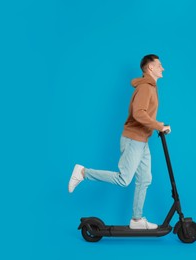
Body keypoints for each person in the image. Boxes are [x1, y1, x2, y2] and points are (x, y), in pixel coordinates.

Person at [68, 54, 171, 230]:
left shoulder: (151, 87)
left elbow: (143, 114)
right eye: (159, 65)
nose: (163, 68)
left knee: (145, 179)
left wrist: (156, 126)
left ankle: (137, 220)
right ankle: (83, 172)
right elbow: (139, 113)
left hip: (142, 140)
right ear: (150, 68)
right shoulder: (146, 87)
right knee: (124, 179)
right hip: (133, 139)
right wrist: (158, 126)